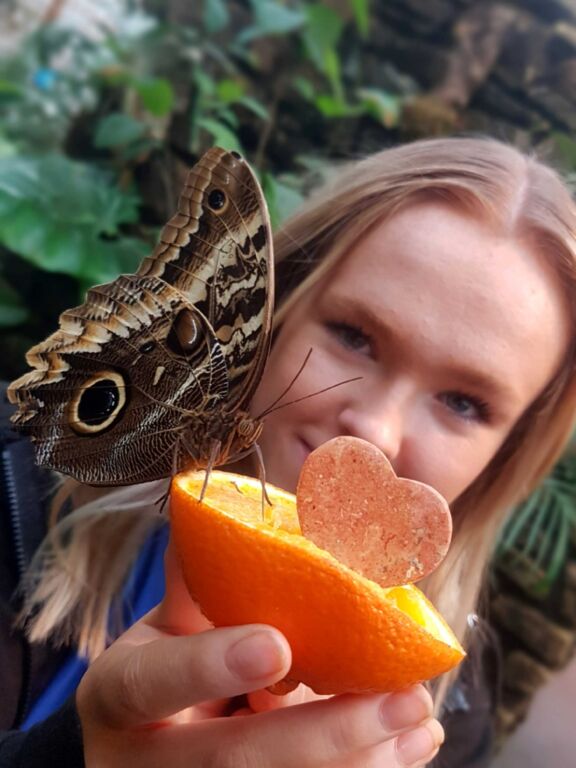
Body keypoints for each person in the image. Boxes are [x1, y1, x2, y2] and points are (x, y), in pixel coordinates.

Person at [1, 136, 575, 767]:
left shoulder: (447, 721)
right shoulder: (17, 485)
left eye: (464, 403)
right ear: (282, 309)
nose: (374, 433)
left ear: (504, 458)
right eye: (354, 336)